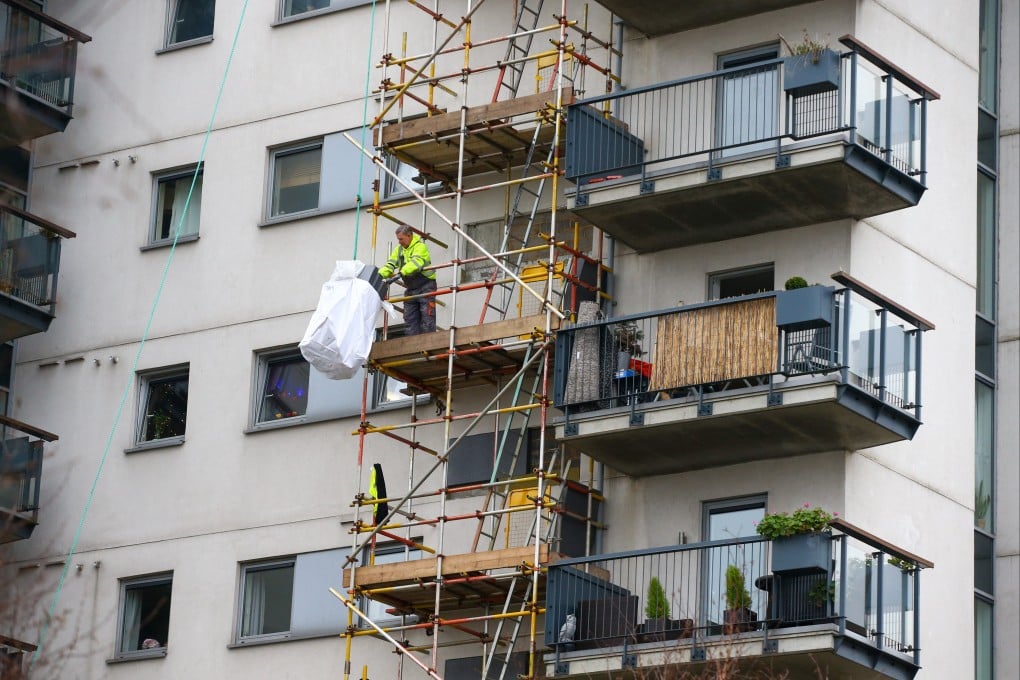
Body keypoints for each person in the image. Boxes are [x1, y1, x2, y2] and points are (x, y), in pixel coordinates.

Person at [379, 224, 437, 335]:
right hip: (411, 287)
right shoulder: (399, 250)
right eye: (398, 239)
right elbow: (390, 264)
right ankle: (412, 343)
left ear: (409, 236)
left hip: (426, 286)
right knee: (409, 317)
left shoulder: (420, 247)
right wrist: (379, 275)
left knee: (427, 315)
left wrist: (401, 273)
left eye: (401, 239)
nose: (399, 242)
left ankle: (429, 343)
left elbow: (416, 263)